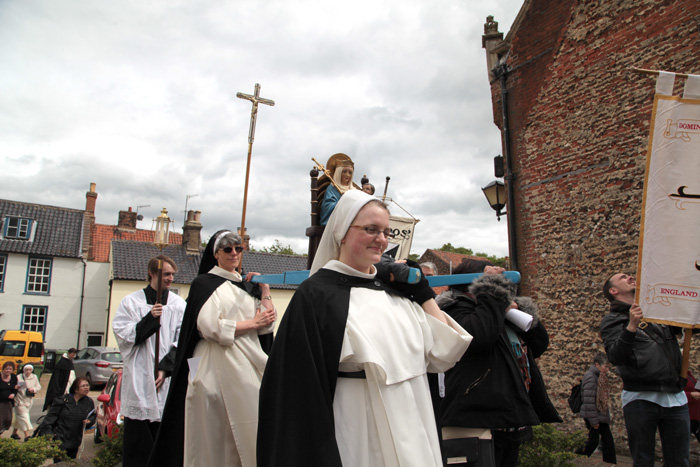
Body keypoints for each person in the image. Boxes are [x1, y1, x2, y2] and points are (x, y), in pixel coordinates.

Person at [257, 190, 472, 466]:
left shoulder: (396, 293)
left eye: (385, 231)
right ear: (342, 232)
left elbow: (445, 352)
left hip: (415, 424)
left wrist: (423, 294)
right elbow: (294, 393)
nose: (381, 239)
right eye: (370, 229)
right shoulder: (316, 295)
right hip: (359, 431)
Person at [149, 230, 276, 467]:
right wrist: (252, 323)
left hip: (247, 361)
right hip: (215, 362)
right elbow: (208, 326)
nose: (234, 253)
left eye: (238, 248)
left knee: (253, 424)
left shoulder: (248, 287)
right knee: (217, 434)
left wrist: (265, 290)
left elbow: (266, 325)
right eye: (227, 249)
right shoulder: (204, 284)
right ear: (216, 253)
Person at [437, 258, 560, 467]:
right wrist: (492, 295)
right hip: (478, 420)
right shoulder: (454, 309)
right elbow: (479, 336)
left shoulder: (497, 309)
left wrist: (520, 310)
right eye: (495, 280)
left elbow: (539, 344)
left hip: (509, 420)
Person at [600, 272, 689, 467]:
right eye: (623, 277)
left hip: (675, 396)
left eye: (630, 274)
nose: (630, 276)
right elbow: (615, 356)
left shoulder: (658, 313)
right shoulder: (612, 321)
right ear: (613, 290)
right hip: (640, 397)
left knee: (679, 461)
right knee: (643, 461)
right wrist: (631, 326)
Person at [112, 254, 187, 466]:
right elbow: (123, 335)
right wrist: (149, 319)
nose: (170, 278)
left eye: (172, 274)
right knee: (139, 439)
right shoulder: (131, 302)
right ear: (152, 274)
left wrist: (165, 369)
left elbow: (181, 341)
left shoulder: (178, 305)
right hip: (140, 374)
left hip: (165, 378)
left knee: (165, 435)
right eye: (166, 274)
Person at [37, 377, 96, 459]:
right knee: (60, 462)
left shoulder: (89, 402)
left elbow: (92, 416)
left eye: (87, 385)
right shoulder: (63, 400)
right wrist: (50, 435)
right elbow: (49, 419)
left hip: (75, 440)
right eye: (83, 386)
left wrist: (89, 421)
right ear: (76, 389)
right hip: (60, 438)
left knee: (71, 462)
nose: (86, 388)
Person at [576, 352, 616, 464]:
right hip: (594, 416)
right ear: (597, 365)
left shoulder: (599, 377)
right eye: (605, 367)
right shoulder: (591, 377)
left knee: (607, 440)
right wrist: (594, 421)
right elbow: (588, 400)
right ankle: (574, 457)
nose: (607, 370)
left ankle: (610, 463)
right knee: (593, 442)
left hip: (600, 415)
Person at [319, 153, 358, 225]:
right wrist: (343, 203)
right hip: (337, 222)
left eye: (350, 172)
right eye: (344, 172)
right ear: (339, 173)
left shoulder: (354, 190)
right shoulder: (332, 189)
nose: (347, 175)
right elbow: (327, 206)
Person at [11, 364, 41, 441]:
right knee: (24, 417)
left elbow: (38, 386)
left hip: (29, 400)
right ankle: (27, 435)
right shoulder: (19, 377)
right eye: (26, 370)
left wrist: (33, 389)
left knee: (19, 418)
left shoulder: (34, 377)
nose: (28, 372)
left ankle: (14, 433)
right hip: (19, 400)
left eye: (29, 370)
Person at [43, 347, 77, 411]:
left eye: (74, 355)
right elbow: (56, 380)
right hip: (60, 391)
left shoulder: (69, 362)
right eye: (72, 355)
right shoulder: (62, 364)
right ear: (68, 354)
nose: (73, 357)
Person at [0, 361, 18, 435]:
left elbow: (16, 388)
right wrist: (10, 387)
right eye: (6, 369)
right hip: (0, 401)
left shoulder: (13, 377)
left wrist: (14, 394)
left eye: (10, 369)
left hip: (8, 402)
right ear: (3, 369)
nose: (8, 371)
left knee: (7, 419)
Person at [684, 371, 700, 445]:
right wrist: (690, 395)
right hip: (686, 416)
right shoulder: (676, 375)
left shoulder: (688, 374)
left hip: (696, 416)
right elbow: (673, 396)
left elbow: (697, 388)